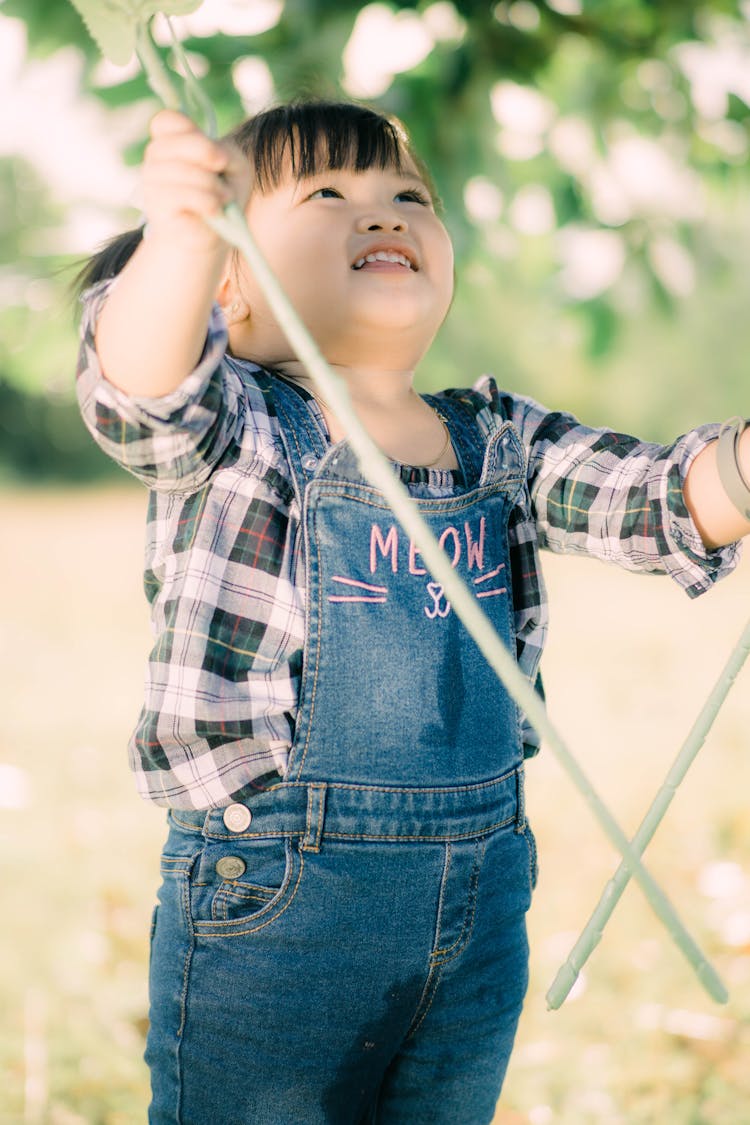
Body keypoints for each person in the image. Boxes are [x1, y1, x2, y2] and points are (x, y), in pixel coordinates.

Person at [76, 100, 748, 1124]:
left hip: (480, 897)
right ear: (228, 287)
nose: (382, 213)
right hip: (280, 903)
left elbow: (656, 500)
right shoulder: (238, 430)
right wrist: (176, 237)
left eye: (408, 197)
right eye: (329, 195)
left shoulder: (499, 440)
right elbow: (139, 392)